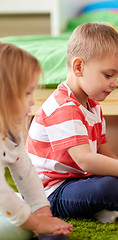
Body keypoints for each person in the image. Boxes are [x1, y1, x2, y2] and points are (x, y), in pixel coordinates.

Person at [26, 23, 118, 224]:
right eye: (108, 75)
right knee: (109, 187)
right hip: (51, 191)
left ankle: (102, 208)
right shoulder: (63, 107)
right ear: (79, 67)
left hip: (80, 178)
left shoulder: (93, 106)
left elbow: (105, 154)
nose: (115, 83)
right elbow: (86, 161)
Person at [0, 42, 73, 237]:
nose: (33, 101)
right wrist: (36, 224)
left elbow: (25, 172)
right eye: (26, 93)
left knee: (21, 212)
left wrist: (43, 213)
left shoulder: (10, 132)